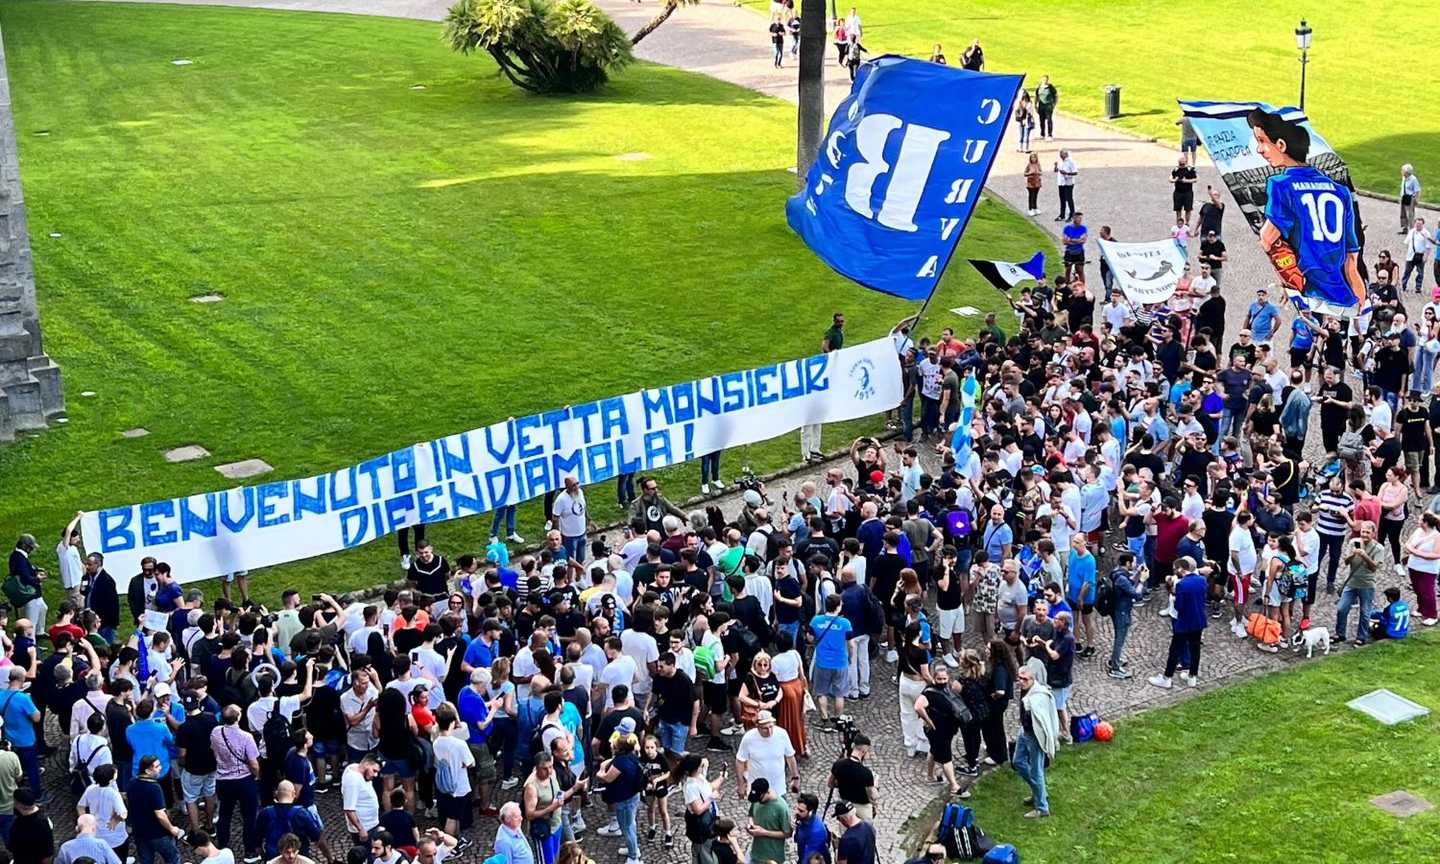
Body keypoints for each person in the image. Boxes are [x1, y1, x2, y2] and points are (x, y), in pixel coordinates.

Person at [1149, 559, 1208, 689]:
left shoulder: (1182, 585)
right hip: (1198, 620)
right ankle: (1192, 676)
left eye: (1176, 569)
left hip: (1184, 622)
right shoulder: (1202, 580)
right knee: (1195, 648)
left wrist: (1175, 597)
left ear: (1181, 568)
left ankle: (1167, 678)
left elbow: (1179, 606)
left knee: (1174, 650)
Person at [1012, 663, 1057, 819]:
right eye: (1019, 678)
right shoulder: (1025, 691)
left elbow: (1044, 719)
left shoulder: (1039, 696)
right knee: (1018, 761)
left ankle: (1042, 807)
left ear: (1032, 679)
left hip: (1034, 736)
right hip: (1024, 732)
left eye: (1024, 679)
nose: (1021, 681)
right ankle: (1039, 792)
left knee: (1036, 771)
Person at [131, 755, 185, 864]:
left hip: (139, 832)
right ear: (147, 771)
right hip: (157, 833)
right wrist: (171, 828)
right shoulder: (154, 787)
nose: (160, 768)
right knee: (173, 858)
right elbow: (160, 814)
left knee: (146, 861)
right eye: (157, 766)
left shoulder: (132, 782)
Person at [745, 778, 792, 864]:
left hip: (772, 856)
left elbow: (787, 833)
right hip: (755, 853)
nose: (758, 802)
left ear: (767, 792)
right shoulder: (757, 800)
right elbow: (751, 814)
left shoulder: (781, 808)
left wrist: (764, 832)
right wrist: (750, 823)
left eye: (759, 799)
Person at [1054, 151, 1078, 222]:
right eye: (1060, 155)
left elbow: (1076, 172)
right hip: (1061, 182)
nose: (1061, 156)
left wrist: (1067, 173)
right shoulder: (1060, 161)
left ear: (1066, 155)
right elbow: (1056, 170)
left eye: (1062, 155)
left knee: (1069, 199)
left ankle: (1072, 214)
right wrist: (1055, 166)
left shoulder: (1071, 162)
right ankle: (1062, 215)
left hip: (1068, 183)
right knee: (1062, 199)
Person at [1034, 75, 1057, 140]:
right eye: (1043, 80)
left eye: (1046, 80)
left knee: (1049, 120)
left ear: (1047, 80)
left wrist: (1054, 104)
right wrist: (1035, 105)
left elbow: (1056, 96)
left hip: (1048, 106)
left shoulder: (1050, 87)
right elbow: (1036, 96)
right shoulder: (1039, 87)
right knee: (1041, 120)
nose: (1045, 81)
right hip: (1041, 106)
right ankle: (1042, 134)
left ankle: (1050, 135)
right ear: (1041, 80)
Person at [1401, 163, 1421, 234]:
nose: (1401, 172)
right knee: (1403, 214)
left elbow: (1417, 190)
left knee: (1410, 215)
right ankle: (1405, 228)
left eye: (1402, 171)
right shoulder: (1404, 177)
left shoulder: (1413, 179)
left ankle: (1412, 230)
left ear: (1407, 172)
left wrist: (1416, 200)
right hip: (1404, 197)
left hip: (1410, 199)